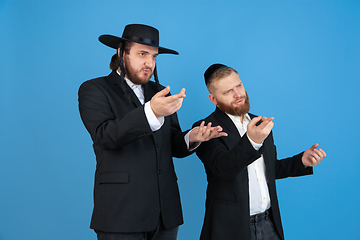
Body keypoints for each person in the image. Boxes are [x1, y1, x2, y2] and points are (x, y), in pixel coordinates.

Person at [78, 24, 226, 240]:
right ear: (121, 54)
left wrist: (192, 137)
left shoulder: (159, 91)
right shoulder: (94, 89)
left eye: (154, 56)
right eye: (142, 54)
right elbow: (105, 136)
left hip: (165, 213)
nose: (150, 63)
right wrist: (150, 112)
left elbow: (172, 144)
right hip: (120, 213)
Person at [193, 63, 327, 240]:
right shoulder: (205, 129)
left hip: (269, 223)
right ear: (213, 99)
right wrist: (252, 141)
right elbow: (223, 169)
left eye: (238, 86)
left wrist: (301, 161)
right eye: (227, 92)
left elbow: (269, 170)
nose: (238, 94)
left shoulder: (259, 123)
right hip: (231, 228)